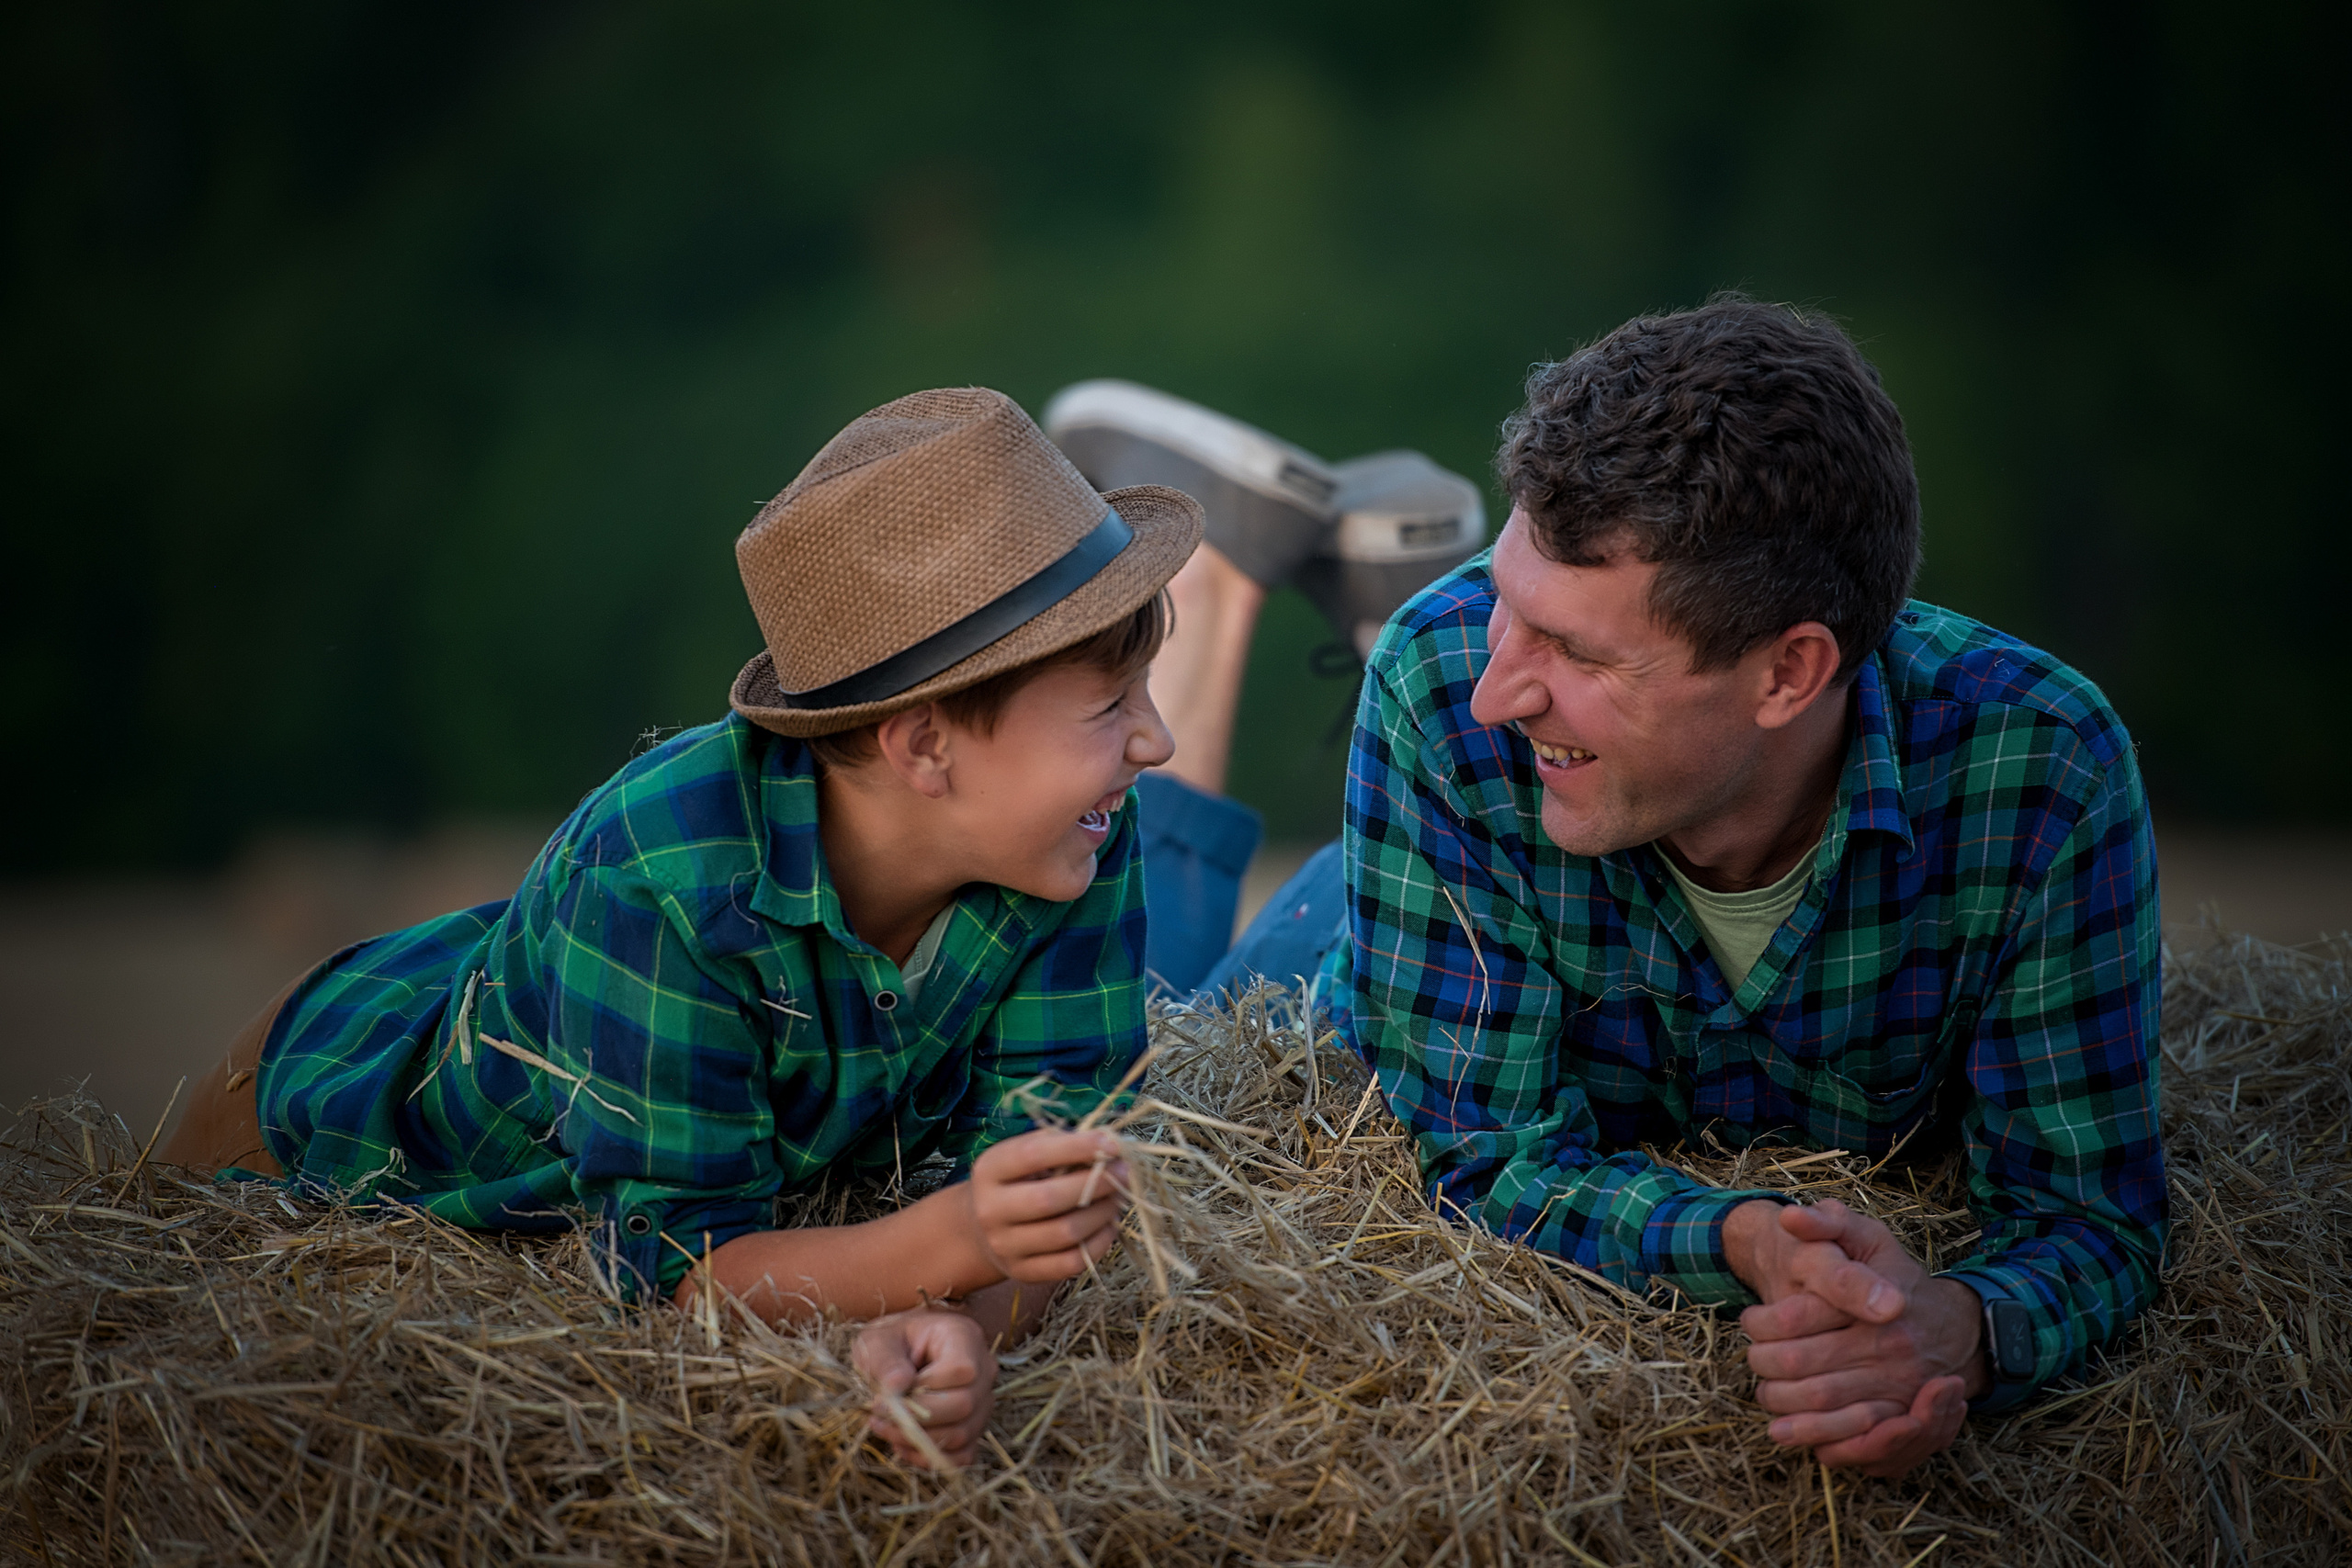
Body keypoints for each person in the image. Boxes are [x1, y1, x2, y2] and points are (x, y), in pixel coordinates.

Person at [163, 387, 1208, 1470]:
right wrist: (954, 1240)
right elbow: (683, 1273)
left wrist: (959, 1327)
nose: (1157, 741)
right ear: (923, 748)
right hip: (320, 1130)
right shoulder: (660, 875)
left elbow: (1044, 1171)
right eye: (1108, 706)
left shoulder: (1067, 834)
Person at [1316, 298, 2167, 1478]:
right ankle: (1213, 608)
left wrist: (1954, 1334)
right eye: (1508, 605)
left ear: (1788, 673)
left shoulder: (2043, 772)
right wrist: (1739, 1240)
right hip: (1377, 902)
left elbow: (2092, 1216)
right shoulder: (1439, 689)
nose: (1497, 690)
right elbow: (1477, 1157)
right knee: (1187, 977)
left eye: (1578, 651)